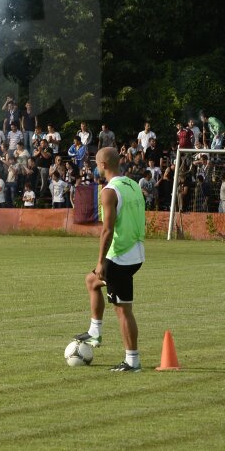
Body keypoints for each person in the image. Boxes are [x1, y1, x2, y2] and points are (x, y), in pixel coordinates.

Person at [72, 147, 146, 372]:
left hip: (120, 257)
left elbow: (108, 229)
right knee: (91, 281)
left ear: (102, 165)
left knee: (123, 309)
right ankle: (95, 331)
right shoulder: (132, 185)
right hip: (136, 252)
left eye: (96, 163)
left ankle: (132, 361)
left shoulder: (109, 191)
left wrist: (100, 262)